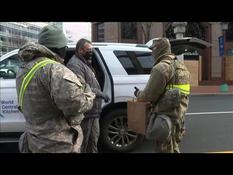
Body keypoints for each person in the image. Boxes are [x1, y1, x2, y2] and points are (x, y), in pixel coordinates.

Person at [16, 25, 95, 153]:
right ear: (60, 48)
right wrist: (89, 93)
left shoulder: (24, 68)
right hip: (57, 145)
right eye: (65, 47)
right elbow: (76, 105)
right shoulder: (55, 70)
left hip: (34, 141)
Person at [134, 37, 190, 153]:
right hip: (179, 116)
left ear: (159, 49)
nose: (152, 53)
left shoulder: (161, 68)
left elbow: (148, 96)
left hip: (165, 118)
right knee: (174, 147)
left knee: (164, 149)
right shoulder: (181, 66)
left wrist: (138, 94)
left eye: (153, 49)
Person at [66, 38, 109, 153]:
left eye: (92, 49)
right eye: (88, 50)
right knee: (83, 143)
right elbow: (82, 87)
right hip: (85, 113)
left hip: (93, 111)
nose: (91, 52)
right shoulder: (75, 65)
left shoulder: (85, 63)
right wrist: (101, 93)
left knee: (93, 141)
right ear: (80, 50)